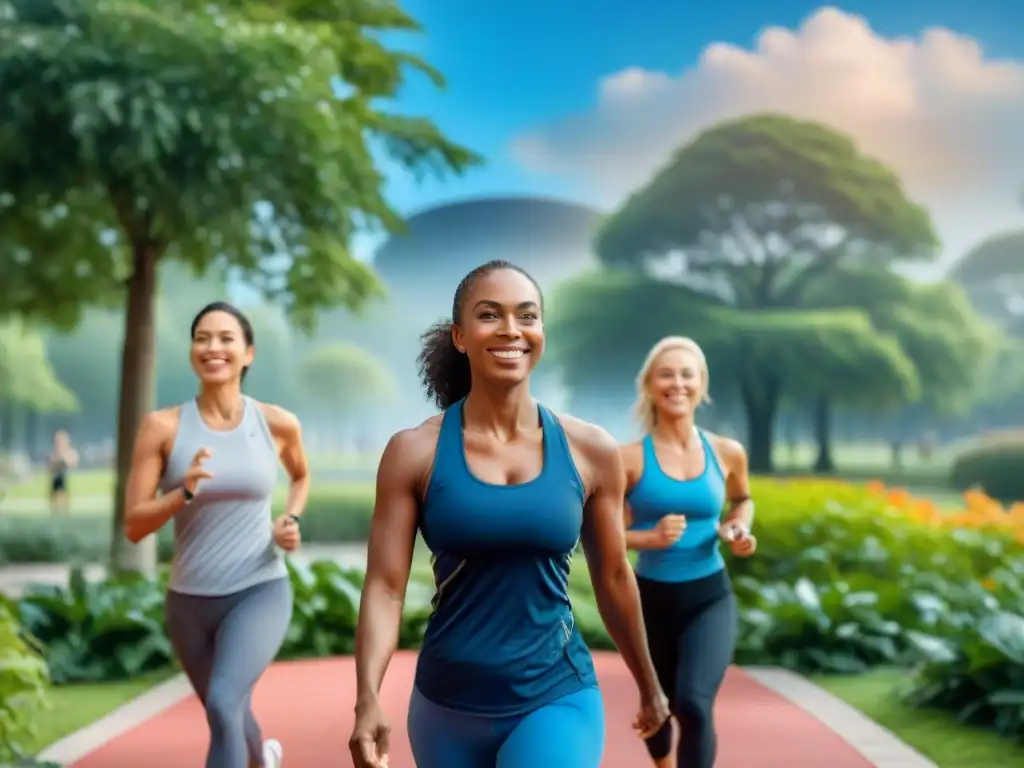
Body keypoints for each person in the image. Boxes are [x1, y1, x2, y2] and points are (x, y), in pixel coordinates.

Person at [349, 260, 669, 768]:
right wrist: (367, 698)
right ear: (459, 335)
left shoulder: (590, 450)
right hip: (445, 705)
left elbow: (612, 575)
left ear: (541, 331)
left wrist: (649, 683)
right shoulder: (414, 452)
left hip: (555, 694)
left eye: (527, 315)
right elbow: (385, 587)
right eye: (489, 315)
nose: (511, 330)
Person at [123, 301, 309, 768]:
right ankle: (261, 757)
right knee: (227, 712)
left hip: (259, 589)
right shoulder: (161, 428)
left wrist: (292, 520)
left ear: (248, 353)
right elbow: (133, 526)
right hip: (188, 602)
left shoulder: (277, 423)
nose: (213, 347)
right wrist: (180, 492)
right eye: (202, 337)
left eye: (226, 338)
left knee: (224, 703)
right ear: (192, 352)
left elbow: (301, 477)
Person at [621, 336, 756, 768]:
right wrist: (648, 539)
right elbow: (602, 534)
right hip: (648, 603)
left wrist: (738, 527)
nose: (676, 383)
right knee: (658, 707)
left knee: (694, 703)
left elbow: (743, 499)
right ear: (649, 385)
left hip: (709, 598)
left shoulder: (727, 452)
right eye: (666, 374)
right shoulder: (628, 460)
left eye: (686, 374)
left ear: (701, 385)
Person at [48, 429, 79, 514]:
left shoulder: (70, 453)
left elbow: (73, 463)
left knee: (63, 495)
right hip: (56, 479)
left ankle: (64, 508)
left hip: (64, 480)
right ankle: (56, 509)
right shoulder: (53, 454)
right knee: (56, 497)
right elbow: (50, 466)